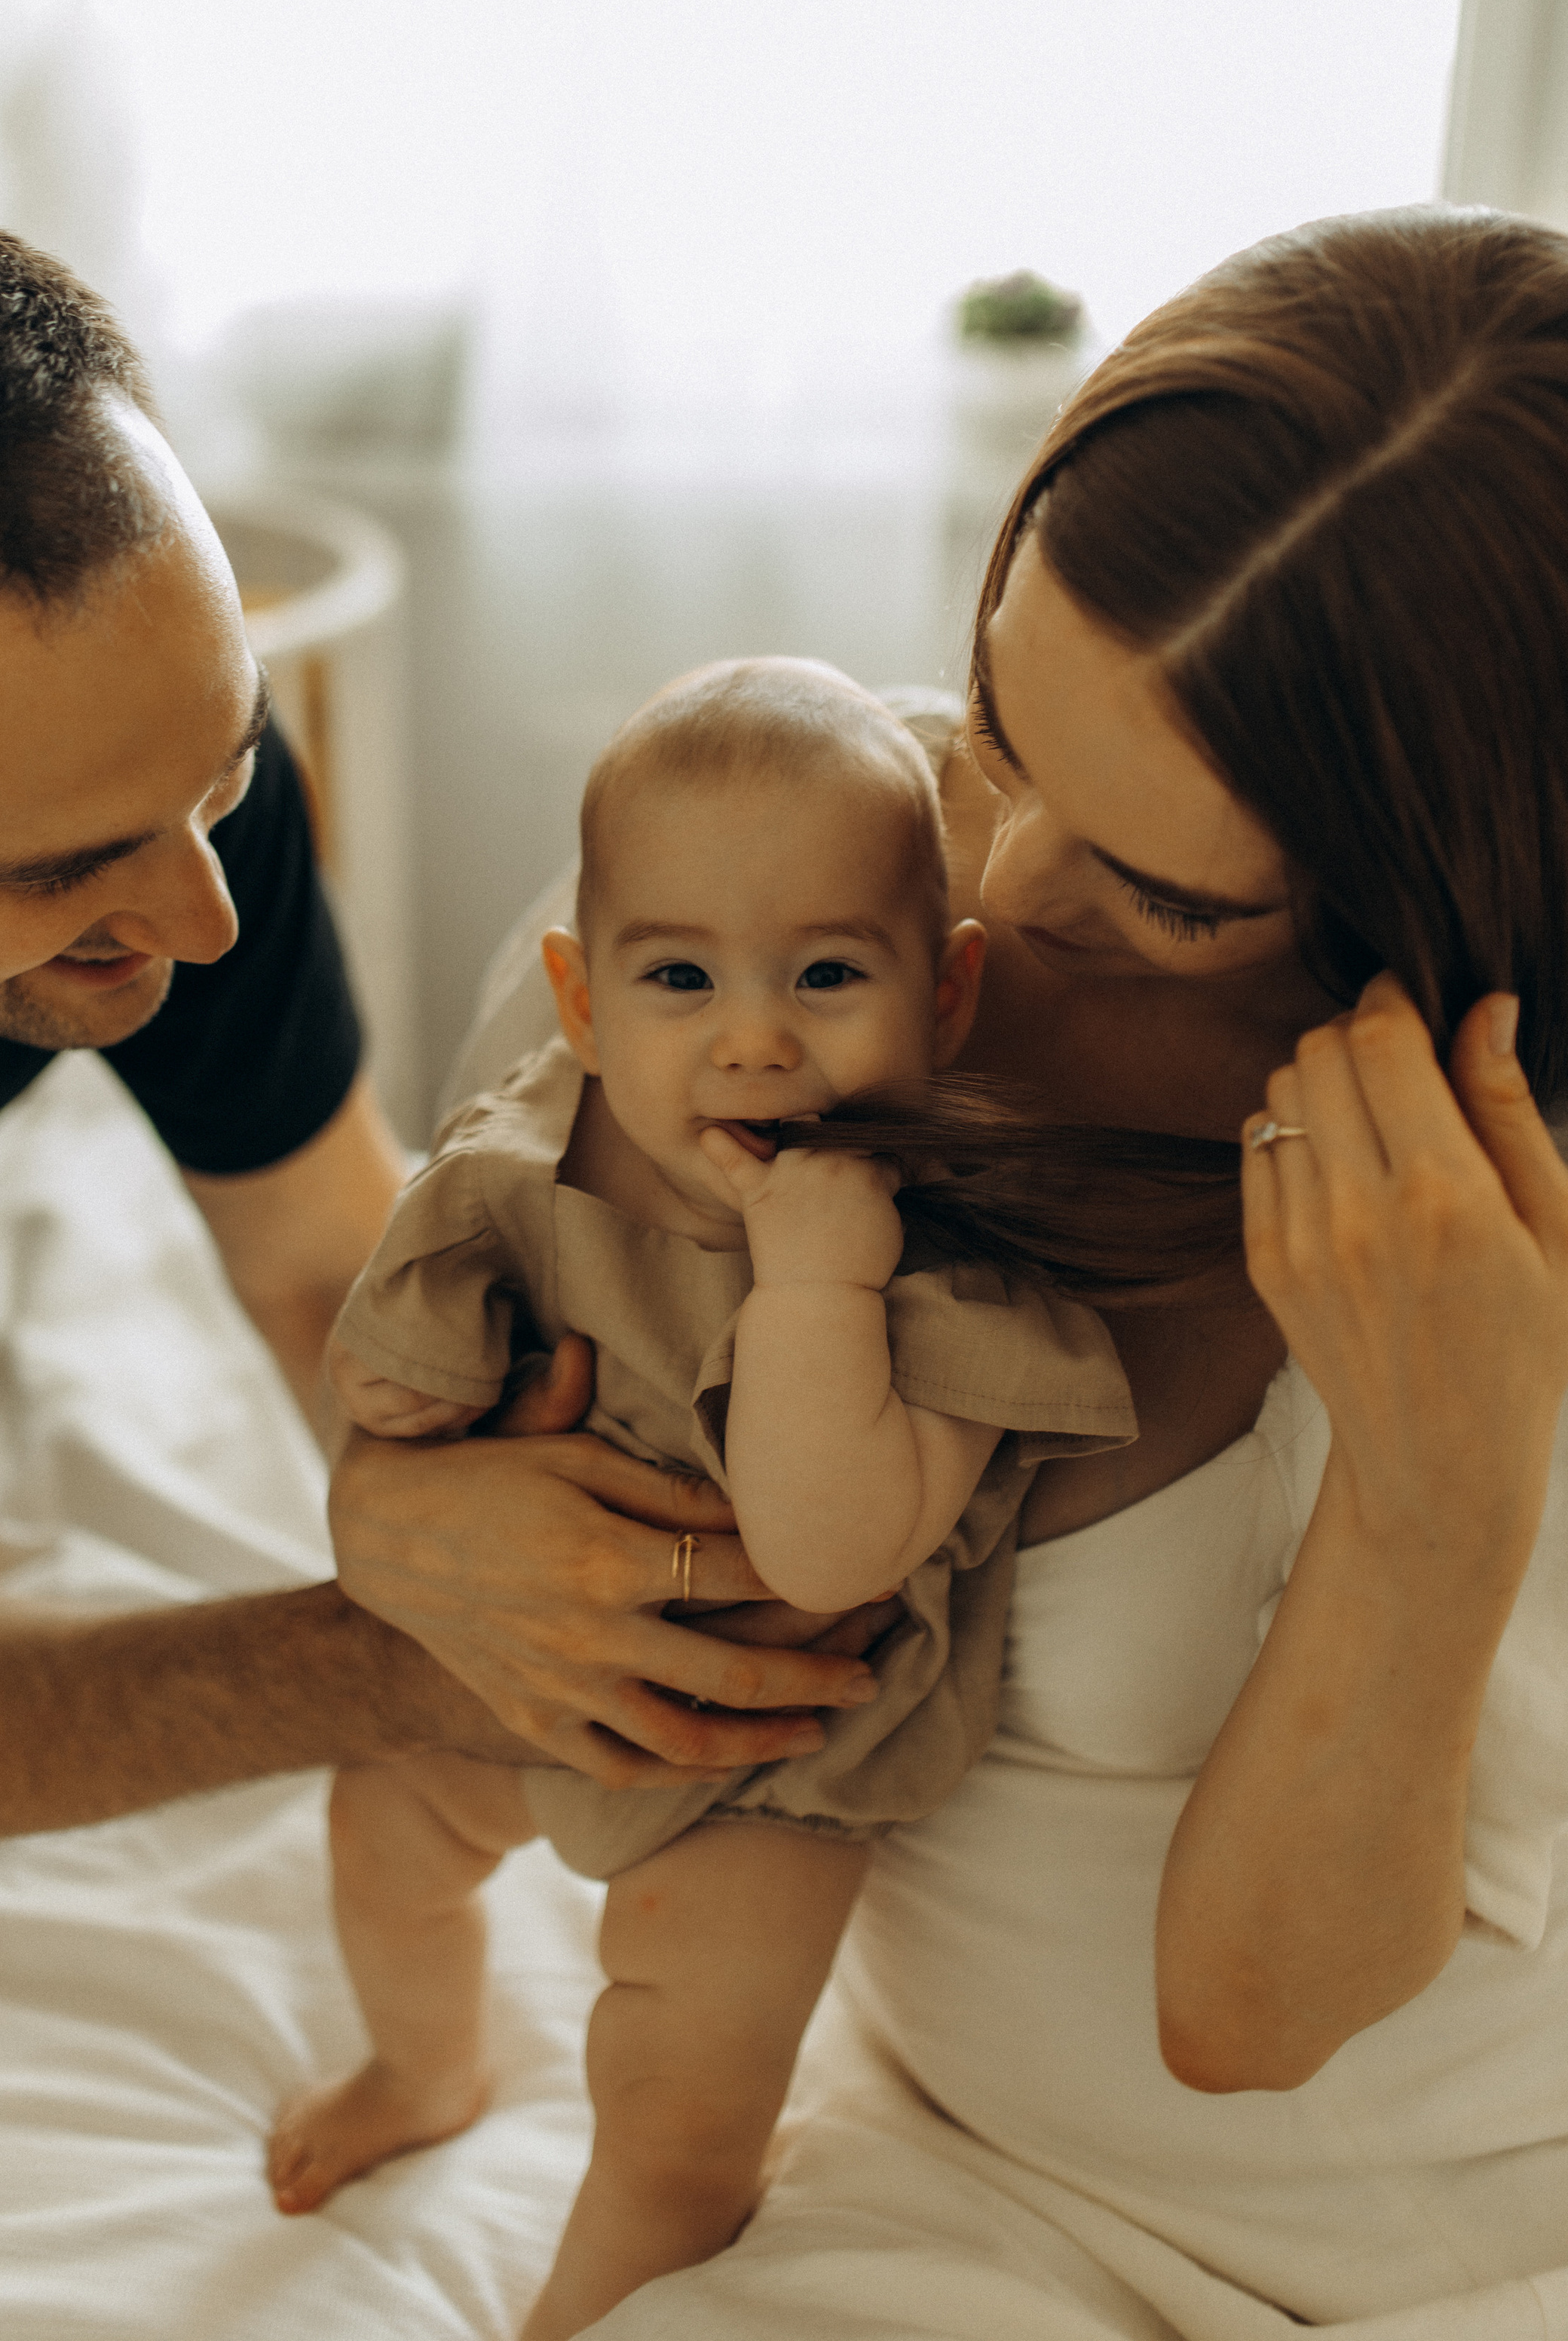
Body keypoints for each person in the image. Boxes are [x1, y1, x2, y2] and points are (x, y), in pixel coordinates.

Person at [326, 204, 1568, 2333]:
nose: (1000, 864)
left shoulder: (1469, 1228)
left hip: (1413, 2237)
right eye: (1008, 716)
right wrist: (401, 1520)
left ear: (1423, 897)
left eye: (1170, 893)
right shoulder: (793, 863)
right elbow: (492, 1287)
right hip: (916, 2141)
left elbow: (1256, 2018)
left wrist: (1435, 1491)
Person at [0, 207, 877, 1865]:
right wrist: (408, 1659)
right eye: (60, 871)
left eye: (218, 774)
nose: (203, 919)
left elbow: (312, 1251)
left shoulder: (136, 766)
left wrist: (426, 1501)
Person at [269, 657, 1147, 2339]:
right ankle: (421, 2062)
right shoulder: (542, 1153)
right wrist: (403, 1398)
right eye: (679, 976)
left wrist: (817, 1287)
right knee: (381, 1828)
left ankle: (580, 2313)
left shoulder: (943, 1268)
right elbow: (407, 1328)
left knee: (674, 2099)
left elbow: (830, 1544)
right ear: (582, 1003)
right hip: (525, 1657)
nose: (752, 1038)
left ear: (944, 999)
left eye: (827, 974)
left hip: (769, 1753)